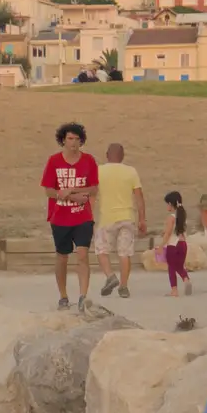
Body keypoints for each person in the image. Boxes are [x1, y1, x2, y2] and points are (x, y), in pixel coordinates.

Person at [41, 121, 100, 310]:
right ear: (63, 140)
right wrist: (66, 195)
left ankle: (83, 296)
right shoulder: (54, 161)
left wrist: (72, 190)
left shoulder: (89, 161)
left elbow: (93, 188)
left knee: (82, 255)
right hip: (60, 217)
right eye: (69, 138)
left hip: (83, 217)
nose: (73, 142)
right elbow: (48, 190)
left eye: (76, 139)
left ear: (81, 141)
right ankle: (64, 296)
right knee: (62, 256)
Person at [94, 143, 146, 299]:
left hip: (107, 218)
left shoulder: (99, 171)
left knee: (101, 250)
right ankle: (123, 287)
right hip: (127, 217)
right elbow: (139, 198)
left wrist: (89, 216)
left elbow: (92, 195)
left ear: (106, 155)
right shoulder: (131, 172)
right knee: (125, 253)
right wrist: (142, 219)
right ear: (122, 156)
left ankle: (110, 276)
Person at [160, 191, 191, 297]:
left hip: (173, 245)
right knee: (179, 266)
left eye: (167, 204)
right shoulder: (183, 217)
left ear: (170, 204)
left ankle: (174, 290)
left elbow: (168, 233)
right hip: (183, 244)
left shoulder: (171, 217)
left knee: (172, 267)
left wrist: (161, 246)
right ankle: (186, 279)